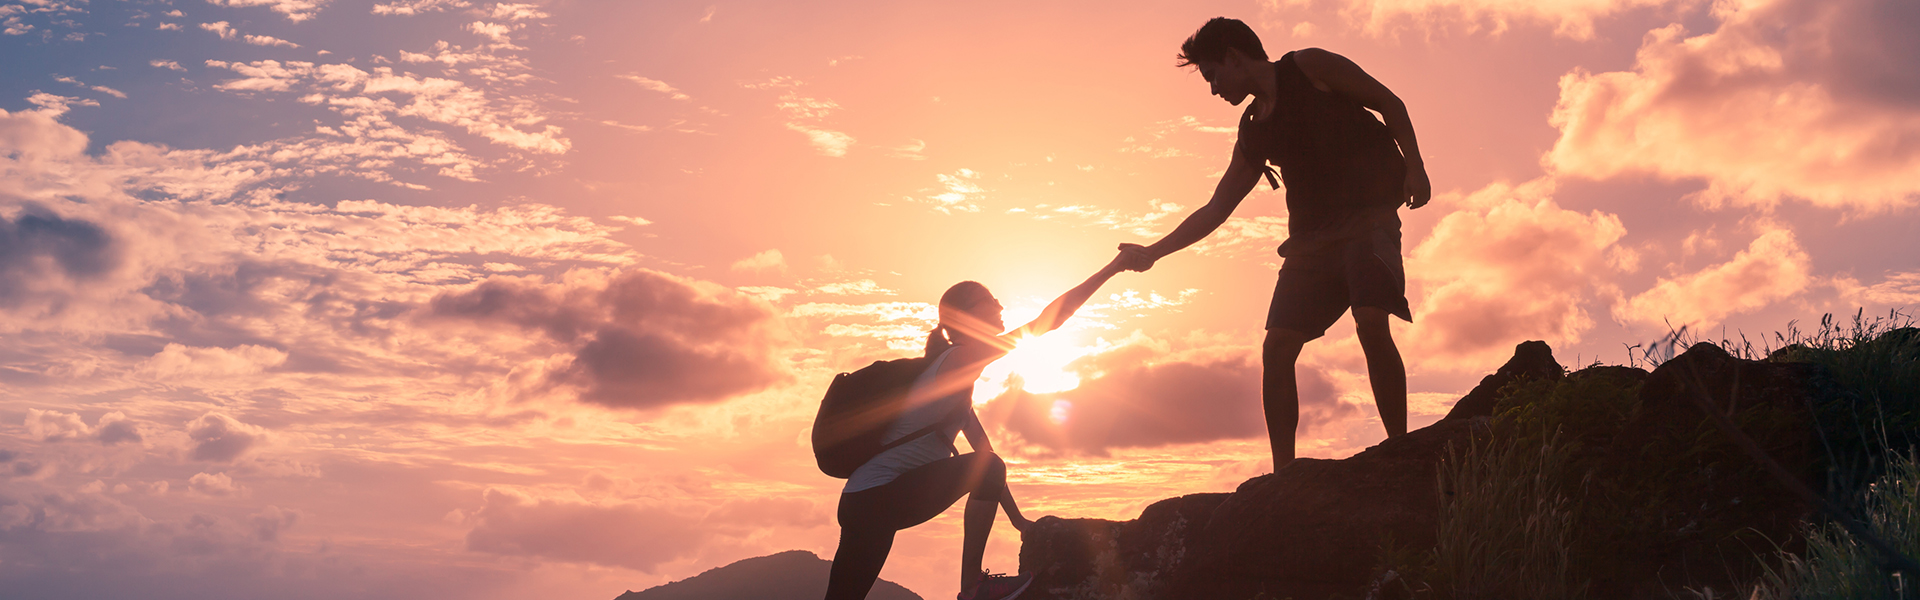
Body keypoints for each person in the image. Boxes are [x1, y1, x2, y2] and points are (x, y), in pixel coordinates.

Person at [1118, 17, 1432, 470]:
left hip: (1369, 222)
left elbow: (1389, 103)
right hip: (1309, 245)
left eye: (1212, 75)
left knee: (1370, 320)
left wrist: (1416, 168)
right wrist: (1153, 252)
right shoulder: (1253, 130)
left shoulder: (1310, 67)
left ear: (1233, 56)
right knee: (1277, 347)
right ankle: (1283, 474)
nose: (1212, 89)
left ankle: (1401, 450)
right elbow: (1215, 208)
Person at [824, 253, 1142, 600]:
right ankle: (972, 586)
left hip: (863, 501)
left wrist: (1017, 520)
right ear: (967, 315)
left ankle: (973, 586)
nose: (1000, 304)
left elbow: (985, 460)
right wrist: (1112, 268)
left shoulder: (953, 384)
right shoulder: (962, 357)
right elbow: (1048, 321)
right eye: (990, 300)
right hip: (879, 498)